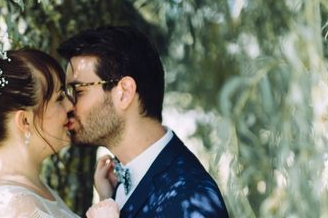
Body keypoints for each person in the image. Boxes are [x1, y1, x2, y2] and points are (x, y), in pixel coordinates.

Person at [58, 26, 229, 218]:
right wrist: (108, 199)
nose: (67, 106)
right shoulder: (114, 184)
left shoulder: (192, 197)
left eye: (77, 91)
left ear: (124, 92)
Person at [0, 47, 119, 218]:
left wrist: (106, 198)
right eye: (59, 98)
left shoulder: (23, 185)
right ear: (24, 121)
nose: (70, 105)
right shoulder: (13, 207)